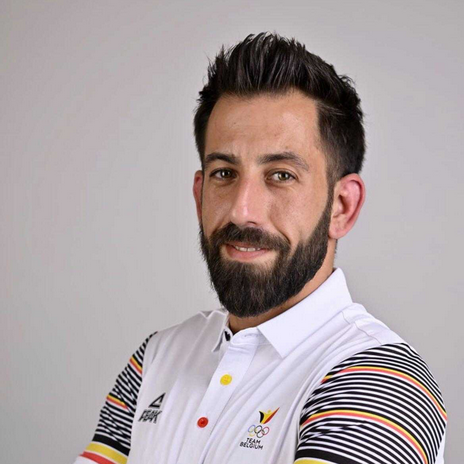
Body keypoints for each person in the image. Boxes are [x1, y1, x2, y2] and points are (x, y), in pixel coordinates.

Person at [73, 32, 447, 464]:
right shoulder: (157, 357)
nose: (241, 211)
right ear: (199, 195)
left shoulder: (383, 384)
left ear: (342, 207)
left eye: (281, 175)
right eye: (224, 174)